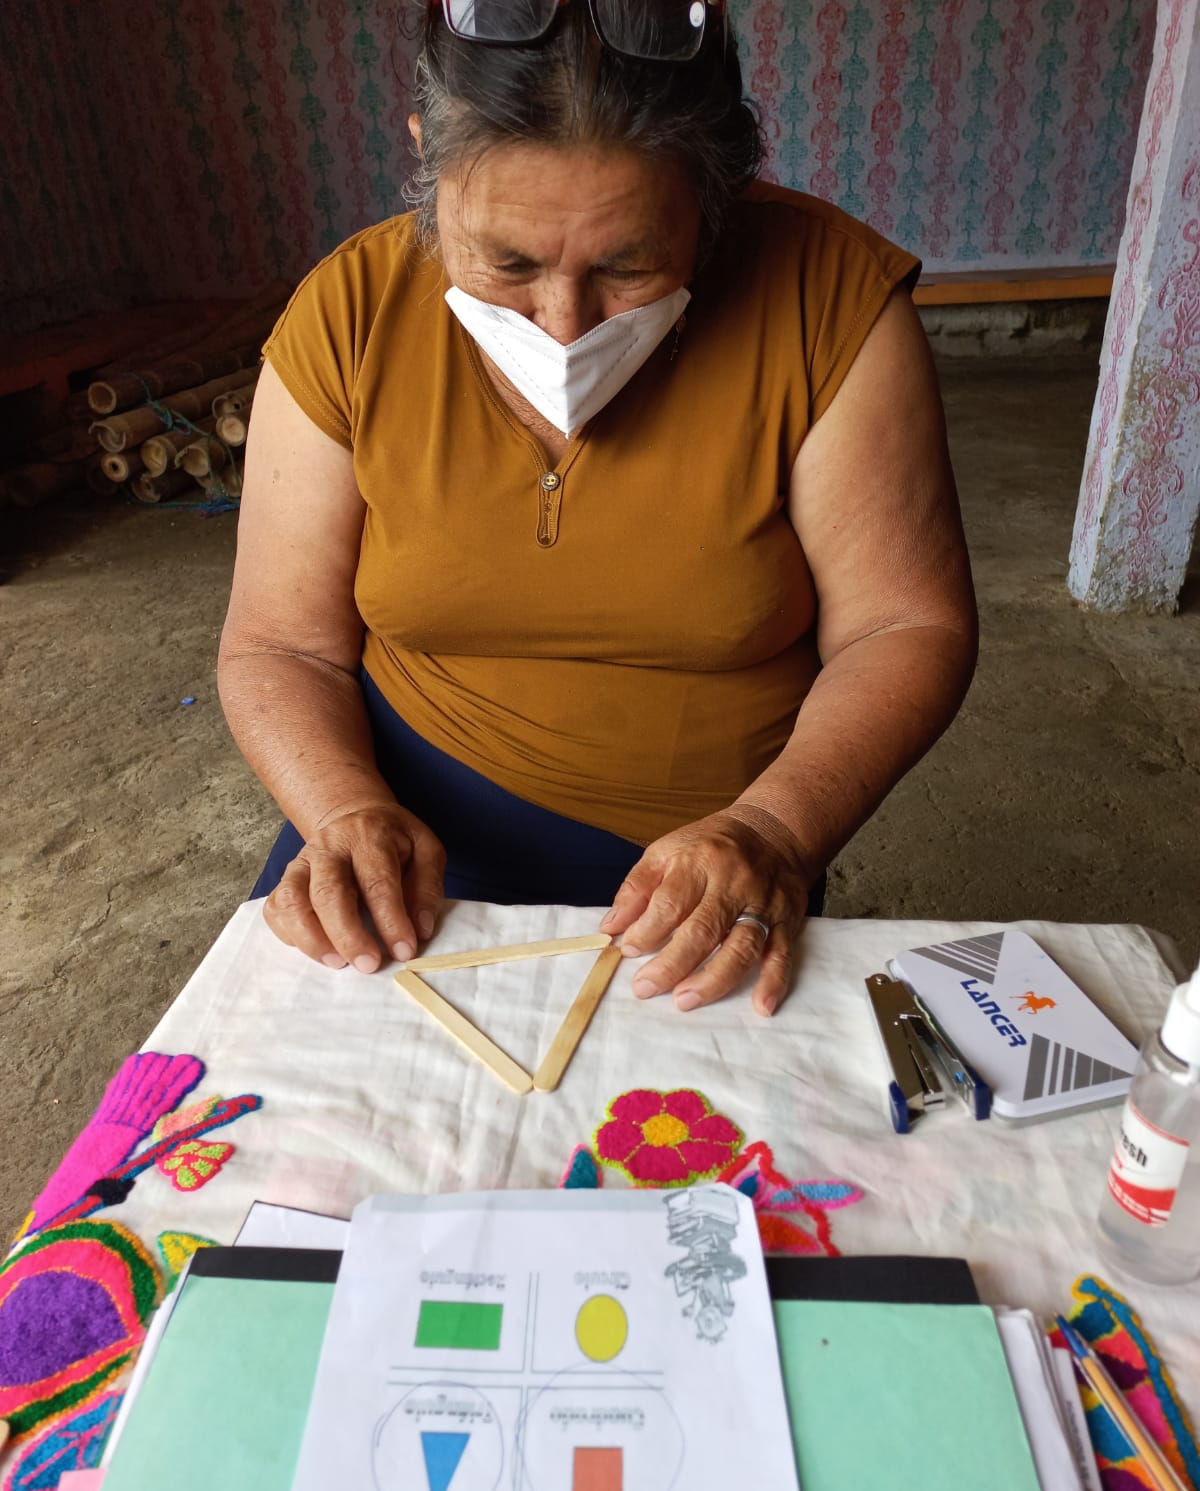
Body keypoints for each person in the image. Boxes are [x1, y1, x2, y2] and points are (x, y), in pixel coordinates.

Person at [218, 0, 977, 1020]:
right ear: (427, 161)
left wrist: (773, 830)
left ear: (715, 195)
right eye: (509, 264)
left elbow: (904, 623)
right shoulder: (349, 314)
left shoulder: (828, 302)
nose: (563, 324)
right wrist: (342, 810)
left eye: (627, 265)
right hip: (392, 821)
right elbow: (281, 643)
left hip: (714, 862)